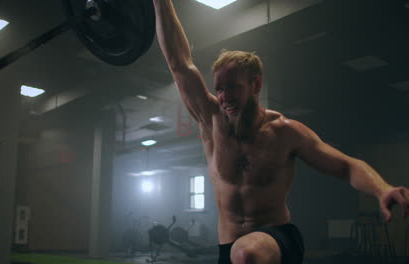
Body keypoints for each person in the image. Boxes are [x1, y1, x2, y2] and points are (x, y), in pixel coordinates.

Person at [152, 1, 409, 263]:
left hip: (277, 240)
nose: (224, 96)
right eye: (219, 88)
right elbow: (179, 62)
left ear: (256, 84)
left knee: (246, 253)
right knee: (241, 253)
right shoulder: (211, 120)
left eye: (233, 87)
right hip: (228, 249)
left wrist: (381, 189)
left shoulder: (285, 133)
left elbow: (346, 166)